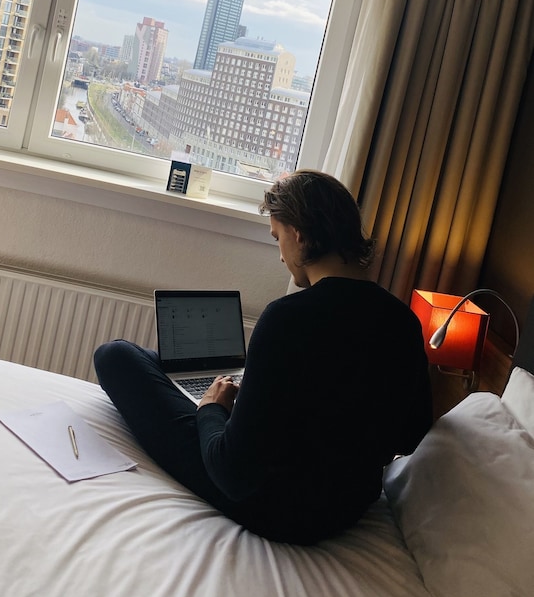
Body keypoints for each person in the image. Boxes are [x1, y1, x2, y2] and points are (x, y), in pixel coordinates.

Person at [94, 170, 432, 544]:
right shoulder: (404, 321)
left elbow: (232, 475)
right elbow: (410, 435)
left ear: (298, 234)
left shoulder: (287, 318)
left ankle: (208, 395)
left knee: (116, 356)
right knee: (160, 366)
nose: (281, 256)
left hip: (274, 508)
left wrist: (212, 410)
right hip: (348, 506)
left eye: (277, 238)